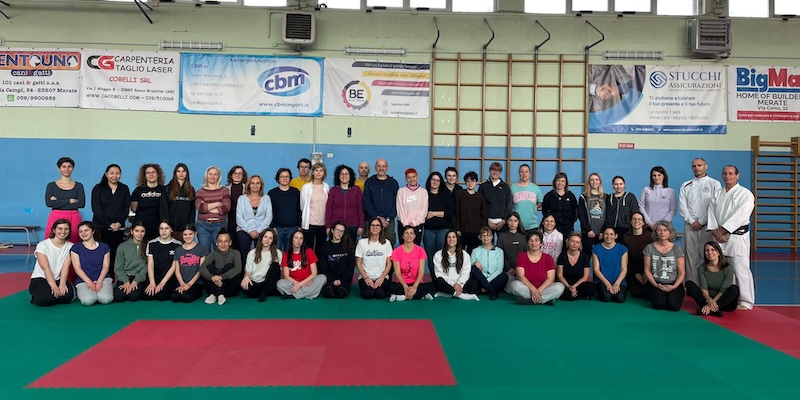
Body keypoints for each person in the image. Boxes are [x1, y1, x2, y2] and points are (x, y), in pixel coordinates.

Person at [708, 165, 755, 311]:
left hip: (736, 237)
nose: (727, 176)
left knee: (740, 269)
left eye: (731, 173)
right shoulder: (718, 194)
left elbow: (741, 215)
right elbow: (711, 213)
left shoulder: (745, 194)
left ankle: (746, 300)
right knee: (722, 269)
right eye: (725, 173)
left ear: (737, 175)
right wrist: (715, 231)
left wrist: (722, 230)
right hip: (719, 237)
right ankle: (727, 299)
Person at [679, 158, 722, 285]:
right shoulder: (686, 185)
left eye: (699, 165)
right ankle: (692, 285)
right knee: (691, 257)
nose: (697, 168)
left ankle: (710, 285)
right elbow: (683, 206)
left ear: (705, 166)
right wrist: (692, 221)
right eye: (694, 166)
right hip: (690, 226)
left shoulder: (714, 184)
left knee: (709, 255)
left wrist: (702, 221)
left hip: (708, 226)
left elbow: (715, 205)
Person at [508, 230, 565, 305]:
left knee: (560, 287)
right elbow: (520, 276)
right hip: (527, 288)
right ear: (527, 243)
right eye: (531, 240)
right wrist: (533, 289)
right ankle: (544, 299)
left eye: (536, 240)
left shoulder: (548, 258)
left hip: (544, 288)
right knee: (514, 285)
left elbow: (550, 279)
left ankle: (531, 300)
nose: (533, 243)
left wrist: (539, 290)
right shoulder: (521, 256)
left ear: (541, 243)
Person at [91, 164, 130, 269]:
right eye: (111, 173)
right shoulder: (98, 188)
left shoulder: (124, 188)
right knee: (101, 255)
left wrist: (120, 223)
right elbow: (97, 210)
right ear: (106, 174)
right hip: (101, 228)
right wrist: (109, 224)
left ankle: (113, 277)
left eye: (117, 173)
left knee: (115, 255)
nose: (114, 176)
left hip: (118, 229)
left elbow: (126, 209)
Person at [686, 241, 741, 317]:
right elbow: (704, 288)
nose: (710, 252)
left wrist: (711, 304)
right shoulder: (701, 268)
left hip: (724, 302)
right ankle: (715, 310)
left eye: (713, 250)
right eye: (707, 250)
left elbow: (723, 290)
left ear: (718, 253)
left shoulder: (728, 268)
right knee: (689, 284)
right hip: (707, 299)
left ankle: (711, 309)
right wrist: (709, 300)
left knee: (734, 289)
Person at [29, 219, 76, 306]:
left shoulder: (71, 246)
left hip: (58, 279)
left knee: (68, 298)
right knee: (45, 300)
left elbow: (65, 267)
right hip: (41, 278)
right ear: (54, 230)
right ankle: (36, 295)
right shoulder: (43, 245)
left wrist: (62, 284)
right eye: (60, 229)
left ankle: (53, 295)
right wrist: (53, 286)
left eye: (66, 229)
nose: (63, 232)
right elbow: (45, 267)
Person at [643, 221, 686, 311]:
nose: (662, 232)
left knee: (673, 306)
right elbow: (647, 270)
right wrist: (655, 284)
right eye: (659, 230)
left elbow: (681, 272)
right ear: (656, 232)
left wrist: (674, 286)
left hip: (673, 283)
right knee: (659, 305)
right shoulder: (649, 248)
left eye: (665, 230)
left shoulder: (677, 249)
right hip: (656, 282)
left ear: (670, 232)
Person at [387, 225, 436, 302]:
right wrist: (405, 287)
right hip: (401, 284)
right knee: (388, 286)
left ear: (414, 236)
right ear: (402, 236)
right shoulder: (397, 251)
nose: (409, 235)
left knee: (434, 284)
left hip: (417, 283)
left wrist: (414, 287)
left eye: (411, 233)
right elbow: (397, 272)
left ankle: (402, 297)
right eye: (406, 233)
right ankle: (420, 295)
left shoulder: (420, 250)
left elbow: (421, 272)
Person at [70, 221, 112, 306]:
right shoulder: (76, 248)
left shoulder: (104, 247)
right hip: (84, 280)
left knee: (106, 299)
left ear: (93, 231)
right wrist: (89, 282)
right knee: (88, 300)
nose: (83, 233)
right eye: (80, 231)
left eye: (86, 230)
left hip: (103, 278)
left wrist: (100, 281)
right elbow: (77, 268)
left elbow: (106, 266)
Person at [277, 229, 327, 299]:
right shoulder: (286, 254)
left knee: (323, 278)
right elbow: (286, 276)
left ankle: (294, 295)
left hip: (308, 281)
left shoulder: (309, 251)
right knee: (280, 284)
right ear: (292, 240)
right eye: (296, 238)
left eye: (301, 238)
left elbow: (314, 273)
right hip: (293, 283)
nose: (299, 241)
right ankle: (308, 293)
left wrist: (300, 284)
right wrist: (298, 284)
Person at [45, 157, 85, 242]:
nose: (67, 169)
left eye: (69, 166)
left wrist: (58, 202)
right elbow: (49, 203)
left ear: (73, 168)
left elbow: (81, 204)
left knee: (74, 242)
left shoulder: (79, 186)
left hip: (74, 216)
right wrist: (69, 201)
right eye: (64, 166)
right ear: (58, 169)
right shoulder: (51, 185)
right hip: (56, 216)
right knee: (53, 242)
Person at [236, 175, 273, 264]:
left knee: (261, 252)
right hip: (244, 229)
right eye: (252, 183)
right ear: (249, 185)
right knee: (243, 246)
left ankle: (260, 271)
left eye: (257, 183)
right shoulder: (242, 199)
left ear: (261, 185)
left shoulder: (266, 198)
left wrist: (259, 230)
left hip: (262, 229)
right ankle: (244, 270)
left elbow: (269, 217)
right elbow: (239, 218)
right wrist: (250, 231)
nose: (255, 185)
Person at [433, 230, 479, 301]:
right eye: (449, 237)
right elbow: (439, 274)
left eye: (454, 237)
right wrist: (453, 284)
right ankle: (460, 295)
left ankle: (448, 293)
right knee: (438, 281)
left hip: (460, 284)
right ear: (445, 240)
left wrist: (460, 284)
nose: (451, 239)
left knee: (475, 284)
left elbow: (466, 272)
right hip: (447, 283)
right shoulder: (438, 255)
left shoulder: (465, 255)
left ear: (457, 239)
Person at [423, 172, 454, 278]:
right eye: (433, 180)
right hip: (428, 230)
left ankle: (444, 279)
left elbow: (450, 213)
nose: (435, 182)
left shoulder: (446, 194)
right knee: (431, 256)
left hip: (443, 229)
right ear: (429, 181)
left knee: (443, 254)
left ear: (441, 182)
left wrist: (433, 213)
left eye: (438, 180)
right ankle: (434, 280)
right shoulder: (424, 194)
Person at [199, 230, 242, 305]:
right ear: (216, 243)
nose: (223, 244)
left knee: (229, 266)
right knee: (208, 267)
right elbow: (202, 268)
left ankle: (215, 293)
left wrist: (221, 277)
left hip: (229, 289)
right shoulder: (213, 253)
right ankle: (219, 294)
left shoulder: (235, 253)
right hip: (214, 284)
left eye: (226, 241)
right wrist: (212, 278)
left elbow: (238, 268)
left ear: (230, 243)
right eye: (220, 241)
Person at [355, 217, 394, 300]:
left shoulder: (386, 243)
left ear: (381, 228)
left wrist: (382, 278)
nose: (375, 227)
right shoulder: (362, 242)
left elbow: (389, 263)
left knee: (380, 295)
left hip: (381, 277)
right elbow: (358, 262)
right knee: (368, 294)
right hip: (365, 277)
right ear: (369, 227)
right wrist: (366, 278)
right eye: (372, 225)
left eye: (377, 225)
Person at [363, 158, 399, 245]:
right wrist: (376, 217)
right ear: (375, 167)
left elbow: (397, 202)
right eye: (379, 166)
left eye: (383, 166)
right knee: (368, 244)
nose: (381, 168)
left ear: (387, 168)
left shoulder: (393, 183)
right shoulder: (369, 182)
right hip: (371, 218)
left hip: (388, 221)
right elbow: (366, 201)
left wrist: (388, 218)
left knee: (388, 243)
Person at [195, 166, 231, 253]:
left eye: (215, 174)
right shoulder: (200, 191)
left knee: (220, 252)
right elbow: (199, 207)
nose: (213, 176)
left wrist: (206, 207)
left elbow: (226, 208)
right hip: (203, 226)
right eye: (210, 174)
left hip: (219, 225)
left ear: (219, 176)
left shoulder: (224, 190)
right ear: (206, 176)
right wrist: (218, 204)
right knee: (205, 252)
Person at [143, 220, 181, 301]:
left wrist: (162, 283)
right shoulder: (151, 244)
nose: (164, 231)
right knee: (147, 296)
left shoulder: (178, 245)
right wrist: (152, 282)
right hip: (155, 276)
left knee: (161, 296)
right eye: (161, 228)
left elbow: (174, 267)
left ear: (171, 230)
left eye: (167, 228)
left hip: (169, 277)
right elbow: (150, 265)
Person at [241, 228, 282, 301]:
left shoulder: (278, 253)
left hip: (270, 282)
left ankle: (264, 292)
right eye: (265, 237)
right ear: (261, 238)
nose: (267, 240)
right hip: (256, 282)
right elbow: (248, 271)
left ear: (273, 241)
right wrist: (246, 277)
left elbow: (279, 272)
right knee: (247, 288)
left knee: (275, 265)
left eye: (270, 238)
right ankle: (266, 291)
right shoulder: (252, 253)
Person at [130, 163, 169, 241]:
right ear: (144, 176)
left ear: (158, 174)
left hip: (159, 227)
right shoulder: (138, 191)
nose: (151, 174)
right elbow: (134, 208)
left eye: (153, 172)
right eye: (148, 173)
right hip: (142, 227)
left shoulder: (164, 190)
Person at [325, 164, 364, 242]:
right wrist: (328, 226)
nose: (344, 176)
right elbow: (329, 209)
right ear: (338, 176)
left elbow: (360, 209)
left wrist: (361, 226)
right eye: (342, 174)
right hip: (336, 226)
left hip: (352, 226)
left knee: (351, 248)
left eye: (346, 174)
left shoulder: (356, 190)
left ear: (350, 176)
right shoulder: (333, 190)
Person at [468, 226, 508, 300]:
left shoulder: (499, 251)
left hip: (493, 279)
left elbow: (499, 270)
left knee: (504, 277)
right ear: (480, 237)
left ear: (492, 237)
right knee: (473, 273)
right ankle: (492, 291)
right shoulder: (475, 251)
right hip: (479, 279)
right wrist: (474, 264)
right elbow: (470, 269)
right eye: (483, 236)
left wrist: (486, 281)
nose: (486, 238)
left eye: (488, 236)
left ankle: (483, 290)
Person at [318, 221, 356, 299]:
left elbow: (350, 266)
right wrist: (333, 280)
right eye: (337, 230)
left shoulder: (348, 246)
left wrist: (341, 280)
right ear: (332, 230)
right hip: (329, 279)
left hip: (344, 279)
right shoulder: (325, 246)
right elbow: (323, 266)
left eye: (342, 231)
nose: (339, 233)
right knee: (329, 293)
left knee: (341, 294)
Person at [268, 168, 301, 252]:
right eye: (282, 176)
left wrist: (299, 226)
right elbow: (269, 211)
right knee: (276, 253)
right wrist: (272, 226)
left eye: (287, 176)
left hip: (293, 228)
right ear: (278, 179)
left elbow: (299, 209)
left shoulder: (296, 192)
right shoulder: (272, 193)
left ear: (290, 178)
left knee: (290, 252)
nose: (284, 178)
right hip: (277, 229)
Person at [453, 171, 487, 253]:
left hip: (476, 231)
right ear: (465, 182)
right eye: (468, 181)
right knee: (459, 253)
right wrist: (456, 228)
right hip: (461, 231)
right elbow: (455, 212)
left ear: (476, 183)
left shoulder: (480, 197)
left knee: (474, 253)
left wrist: (482, 231)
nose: (470, 183)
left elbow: (484, 215)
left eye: (473, 181)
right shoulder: (459, 194)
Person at [171, 224, 206, 303]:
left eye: (190, 234)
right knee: (175, 297)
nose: (188, 237)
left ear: (195, 234)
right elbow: (177, 270)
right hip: (182, 281)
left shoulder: (201, 248)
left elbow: (201, 270)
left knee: (186, 298)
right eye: (185, 234)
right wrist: (182, 284)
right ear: (182, 235)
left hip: (196, 282)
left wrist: (189, 284)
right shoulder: (178, 250)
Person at [592, 226, 628, 303]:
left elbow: (624, 269)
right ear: (603, 235)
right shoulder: (596, 249)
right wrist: (607, 283)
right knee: (606, 297)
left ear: (616, 236)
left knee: (620, 298)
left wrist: (617, 284)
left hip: (619, 281)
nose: (609, 237)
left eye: (611, 234)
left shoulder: (623, 249)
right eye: (606, 234)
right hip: (602, 281)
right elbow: (596, 269)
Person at [113, 222, 148, 302]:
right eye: (136, 231)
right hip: (124, 276)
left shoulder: (148, 245)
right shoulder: (122, 246)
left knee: (134, 296)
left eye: (142, 231)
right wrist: (126, 281)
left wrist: (136, 281)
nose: (139, 234)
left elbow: (147, 266)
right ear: (132, 231)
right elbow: (118, 267)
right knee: (119, 297)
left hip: (139, 277)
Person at [300, 162, 330, 255]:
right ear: (312, 172)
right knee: (308, 249)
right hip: (310, 224)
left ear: (324, 173)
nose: (318, 172)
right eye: (316, 170)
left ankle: (318, 265)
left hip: (323, 224)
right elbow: (303, 205)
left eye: (321, 170)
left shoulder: (326, 187)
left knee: (320, 249)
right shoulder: (306, 187)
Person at [623, 212, 654, 299]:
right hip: (632, 270)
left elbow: (654, 257)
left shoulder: (650, 237)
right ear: (630, 222)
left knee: (649, 293)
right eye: (634, 219)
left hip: (648, 270)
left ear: (643, 222)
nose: (637, 221)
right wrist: (636, 273)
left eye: (639, 219)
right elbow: (625, 259)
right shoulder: (625, 237)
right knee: (636, 293)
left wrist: (647, 273)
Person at [557, 232, 595, 301]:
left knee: (591, 287)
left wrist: (574, 286)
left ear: (580, 244)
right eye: (572, 241)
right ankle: (576, 295)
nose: (574, 244)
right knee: (558, 287)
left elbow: (585, 277)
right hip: (565, 283)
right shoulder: (562, 256)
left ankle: (572, 295)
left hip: (579, 284)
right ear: (568, 242)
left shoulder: (584, 257)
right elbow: (560, 275)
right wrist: (569, 286)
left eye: (577, 242)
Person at [478, 162, 513, 235]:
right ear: (490, 171)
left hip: (502, 222)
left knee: (502, 241)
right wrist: (487, 220)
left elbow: (509, 205)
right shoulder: (483, 187)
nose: (495, 173)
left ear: (500, 172)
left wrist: (504, 221)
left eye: (497, 171)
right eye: (493, 170)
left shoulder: (505, 187)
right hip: (487, 222)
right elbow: (480, 206)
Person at [396, 168, 428, 245]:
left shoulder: (423, 192)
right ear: (406, 178)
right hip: (403, 225)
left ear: (417, 177)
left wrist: (414, 223)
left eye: (413, 177)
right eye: (409, 177)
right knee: (404, 247)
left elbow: (424, 210)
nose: (411, 179)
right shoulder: (401, 191)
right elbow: (400, 209)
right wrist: (406, 224)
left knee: (416, 247)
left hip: (418, 225)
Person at [578, 172, 607, 257]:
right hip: (588, 232)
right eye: (592, 180)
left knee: (601, 256)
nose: (594, 182)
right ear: (589, 182)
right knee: (586, 255)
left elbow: (608, 215)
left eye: (596, 180)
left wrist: (603, 231)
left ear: (600, 182)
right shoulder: (583, 197)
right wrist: (588, 229)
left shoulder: (606, 197)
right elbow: (581, 215)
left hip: (601, 233)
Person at [605, 175, 639, 245]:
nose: (618, 186)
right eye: (616, 184)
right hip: (612, 230)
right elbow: (606, 214)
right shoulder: (609, 197)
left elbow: (635, 213)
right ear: (613, 185)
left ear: (624, 185)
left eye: (621, 184)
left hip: (627, 229)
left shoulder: (630, 197)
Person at [496, 211, 526, 290]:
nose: (512, 223)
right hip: (508, 271)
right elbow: (500, 255)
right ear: (507, 222)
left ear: (518, 222)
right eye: (510, 220)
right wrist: (508, 268)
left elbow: (527, 255)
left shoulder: (524, 237)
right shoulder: (502, 236)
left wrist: (519, 269)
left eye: (515, 221)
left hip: (522, 271)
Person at [166, 163, 196, 241]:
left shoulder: (191, 190)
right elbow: (164, 209)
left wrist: (190, 227)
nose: (181, 173)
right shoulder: (168, 189)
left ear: (187, 173)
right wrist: (166, 226)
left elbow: (192, 211)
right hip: (171, 228)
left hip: (185, 230)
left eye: (183, 171)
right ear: (175, 173)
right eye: (178, 171)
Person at [511, 164, 543, 231]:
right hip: (516, 225)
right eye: (522, 172)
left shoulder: (536, 188)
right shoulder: (512, 188)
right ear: (519, 173)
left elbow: (540, 203)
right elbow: (509, 204)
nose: (524, 174)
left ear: (530, 173)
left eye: (526, 172)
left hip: (532, 225)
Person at [226, 165, 248, 250]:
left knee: (242, 245)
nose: (237, 175)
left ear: (243, 176)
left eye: (240, 173)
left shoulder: (248, 189)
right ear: (231, 175)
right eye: (235, 173)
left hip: (243, 221)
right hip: (230, 220)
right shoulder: (225, 189)